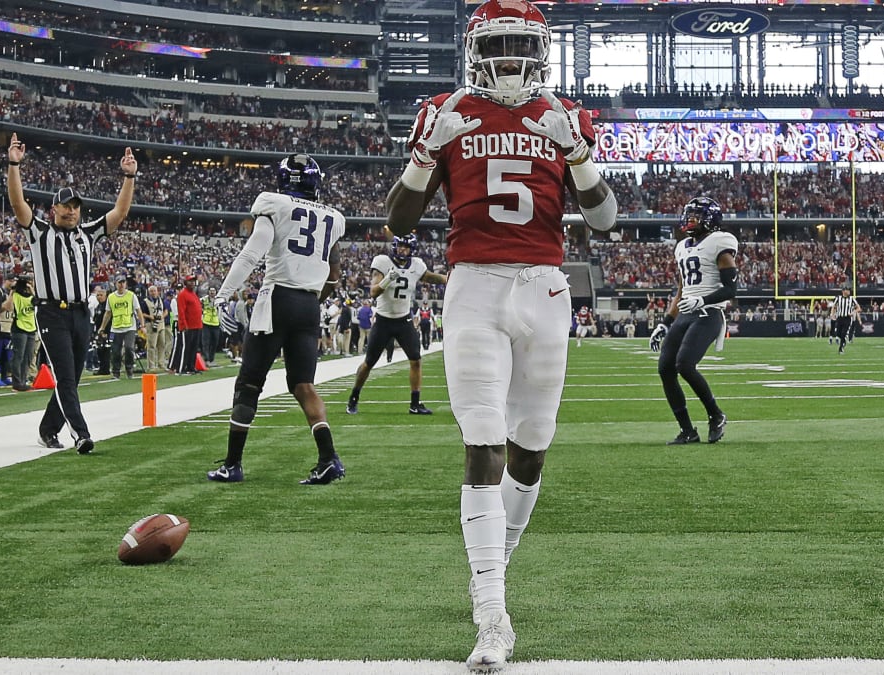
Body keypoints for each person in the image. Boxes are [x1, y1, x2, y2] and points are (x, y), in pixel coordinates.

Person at [384, 0, 617, 669]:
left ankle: (493, 570)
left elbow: (603, 219)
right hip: (475, 285)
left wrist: (575, 152)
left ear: (539, 49)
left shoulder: (565, 114)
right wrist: (425, 155)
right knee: (482, 441)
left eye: (521, 43)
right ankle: (492, 614)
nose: (511, 57)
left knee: (531, 451)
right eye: (500, 43)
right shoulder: (446, 110)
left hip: (544, 287)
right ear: (478, 48)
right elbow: (400, 221)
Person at [205, 153, 347, 486]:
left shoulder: (274, 205)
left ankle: (233, 464)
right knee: (303, 385)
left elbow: (252, 252)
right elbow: (334, 273)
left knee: (249, 383)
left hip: (277, 299)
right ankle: (329, 459)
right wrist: (311, 301)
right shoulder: (334, 218)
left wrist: (223, 294)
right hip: (309, 305)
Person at [6, 131, 138, 454]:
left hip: (81, 312)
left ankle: (48, 428)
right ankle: (81, 433)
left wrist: (129, 176)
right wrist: (13, 165)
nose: (71, 211)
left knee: (73, 377)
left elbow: (119, 214)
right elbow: (18, 204)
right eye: (65, 206)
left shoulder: (86, 234)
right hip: (51, 310)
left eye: (75, 207)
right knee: (65, 375)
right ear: (54, 210)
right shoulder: (39, 232)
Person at [649, 196, 738, 445]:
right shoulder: (682, 247)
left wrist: (703, 301)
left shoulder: (719, 242)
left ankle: (716, 414)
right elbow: (682, 290)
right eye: (688, 215)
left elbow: (731, 288)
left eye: (695, 215)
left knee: (685, 365)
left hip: (708, 314)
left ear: (709, 219)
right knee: (665, 368)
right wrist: (665, 322)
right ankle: (687, 430)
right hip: (686, 313)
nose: (690, 220)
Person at [346, 234, 448, 416]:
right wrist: (387, 279)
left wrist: (448, 278)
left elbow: (429, 277)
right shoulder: (383, 262)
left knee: (416, 359)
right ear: (394, 246)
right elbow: (373, 292)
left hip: (403, 320)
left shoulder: (416, 265)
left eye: (406, 247)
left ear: (412, 249)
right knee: (369, 362)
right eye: (400, 246)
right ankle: (354, 396)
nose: (402, 250)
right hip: (384, 319)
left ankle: (415, 403)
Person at [99, 277, 142, 379]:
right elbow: (108, 313)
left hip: (129, 326)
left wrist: (142, 324)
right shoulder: (111, 297)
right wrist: (102, 327)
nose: (122, 285)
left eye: (123, 282)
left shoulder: (131, 295)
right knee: (116, 351)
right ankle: (116, 371)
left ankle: (129, 368)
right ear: (116, 284)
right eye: (119, 282)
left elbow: (138, 310)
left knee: (129, 348)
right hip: (116, 327)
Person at [4, 275, 37, 391]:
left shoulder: (31, 298)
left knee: (28, 356)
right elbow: (7, 307)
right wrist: (12, 292)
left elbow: (37, 302)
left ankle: (23, 380)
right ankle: (17, 382)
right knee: (19, 356)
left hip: (31, 328)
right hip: (19, 328)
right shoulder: (16, 296)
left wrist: (31, 289)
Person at [169, 275, 202, 374]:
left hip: (196, 325)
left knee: (193, 348)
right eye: (190, 281)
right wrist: (183, 325)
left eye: (193, 281)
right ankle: (181, 368)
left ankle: (191, 367)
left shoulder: (194, 294)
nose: (192, 283)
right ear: (185, 283)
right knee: (185, 348)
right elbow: (181, 311)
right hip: (188, 326)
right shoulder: (183, 295)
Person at [142, 284, 170, 371]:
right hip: (151, 324)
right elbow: (142, 313)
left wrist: (162, 316)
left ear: (157, 292)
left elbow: (166, 310)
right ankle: (151, 365)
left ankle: (161, 363)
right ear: (148, 292)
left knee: (162, 344)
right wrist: (151, 317)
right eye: (151, 291)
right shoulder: (145, 301)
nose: (153, 293)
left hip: (161, 324)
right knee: (151, 346)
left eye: (154, 291)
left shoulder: (161, 300)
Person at [831, 286, 860, 354]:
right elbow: (833, 307)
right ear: (843, 291)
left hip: (847, 318)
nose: (849, 292)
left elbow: (858, 308)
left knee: (843, 333)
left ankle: (841, 348)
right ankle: (843, 342)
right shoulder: (838, 298)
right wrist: (832, 315)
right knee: (838, 333)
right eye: (847, 290)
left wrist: (853, 312)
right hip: (840, 318)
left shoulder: (851, 299)